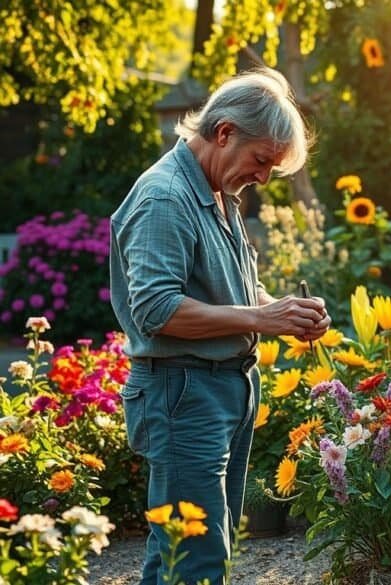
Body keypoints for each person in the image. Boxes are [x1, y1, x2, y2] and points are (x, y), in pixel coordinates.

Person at [109, 67, 330, 585]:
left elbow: (230, 291)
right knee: (197, 557)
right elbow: (157, 310)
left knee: (189, 549)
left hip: (217, 389)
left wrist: (282, 311)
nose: (264, 178)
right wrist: (261, 318)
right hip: (182, 392)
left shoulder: (217, 195)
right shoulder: (166, 197)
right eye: (261, 161)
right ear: (225, 131)